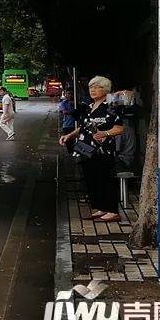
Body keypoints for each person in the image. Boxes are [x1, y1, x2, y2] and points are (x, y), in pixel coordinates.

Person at [59, 76, 124, 222]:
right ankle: (100, 208)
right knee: (92, 179)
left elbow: (119, 128)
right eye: (91, 87)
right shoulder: (89, 106)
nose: (93, 90)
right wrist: (69, 135)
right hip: (85, 148)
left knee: (105, 178)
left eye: (97, 87)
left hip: (103, 149)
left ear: (105, 89)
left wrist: (105, 133)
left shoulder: (111, 105)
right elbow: (83, 127)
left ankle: (112, 211)